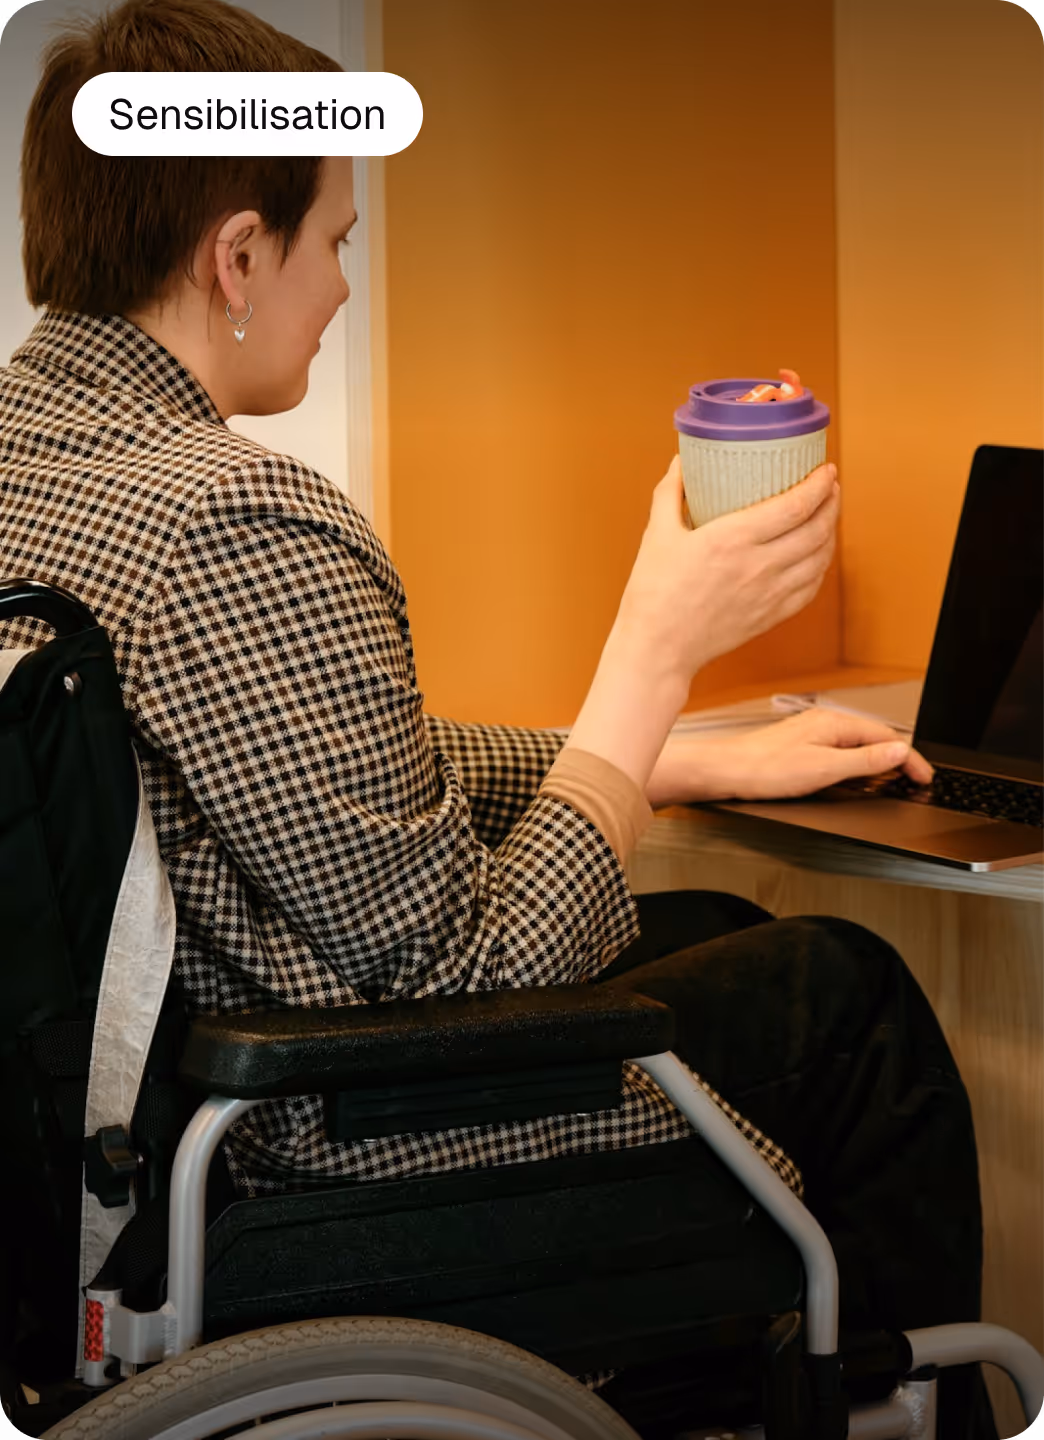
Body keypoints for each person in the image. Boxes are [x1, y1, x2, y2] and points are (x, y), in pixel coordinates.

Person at [0, 1, 997, 1434]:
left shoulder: (39, 464)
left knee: (715, 926)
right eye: (335, 240)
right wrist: (652, 652)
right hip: (309, 1148)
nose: (343, 284)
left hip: (130, 1126)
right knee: (841, 998)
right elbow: (472, 970)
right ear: (235, 255)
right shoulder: (235, 520)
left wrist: (678, 751)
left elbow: (322, 779)